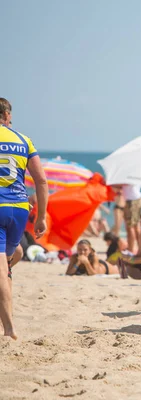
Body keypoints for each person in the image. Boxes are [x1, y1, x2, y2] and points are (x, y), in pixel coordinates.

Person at [0, 98, 48, 340]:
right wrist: (41, 217)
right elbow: (41, 180)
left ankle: (8, 329)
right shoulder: (23, 140)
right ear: (7, 116)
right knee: (11, 257)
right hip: (19, 208)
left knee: (1, 265)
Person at [122, 184, 141, 253]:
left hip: (131, 201)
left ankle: (130, 249)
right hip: (135, 199)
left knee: (130, 227)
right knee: (136, 226)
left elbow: (125, 183)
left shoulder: (127, 174)